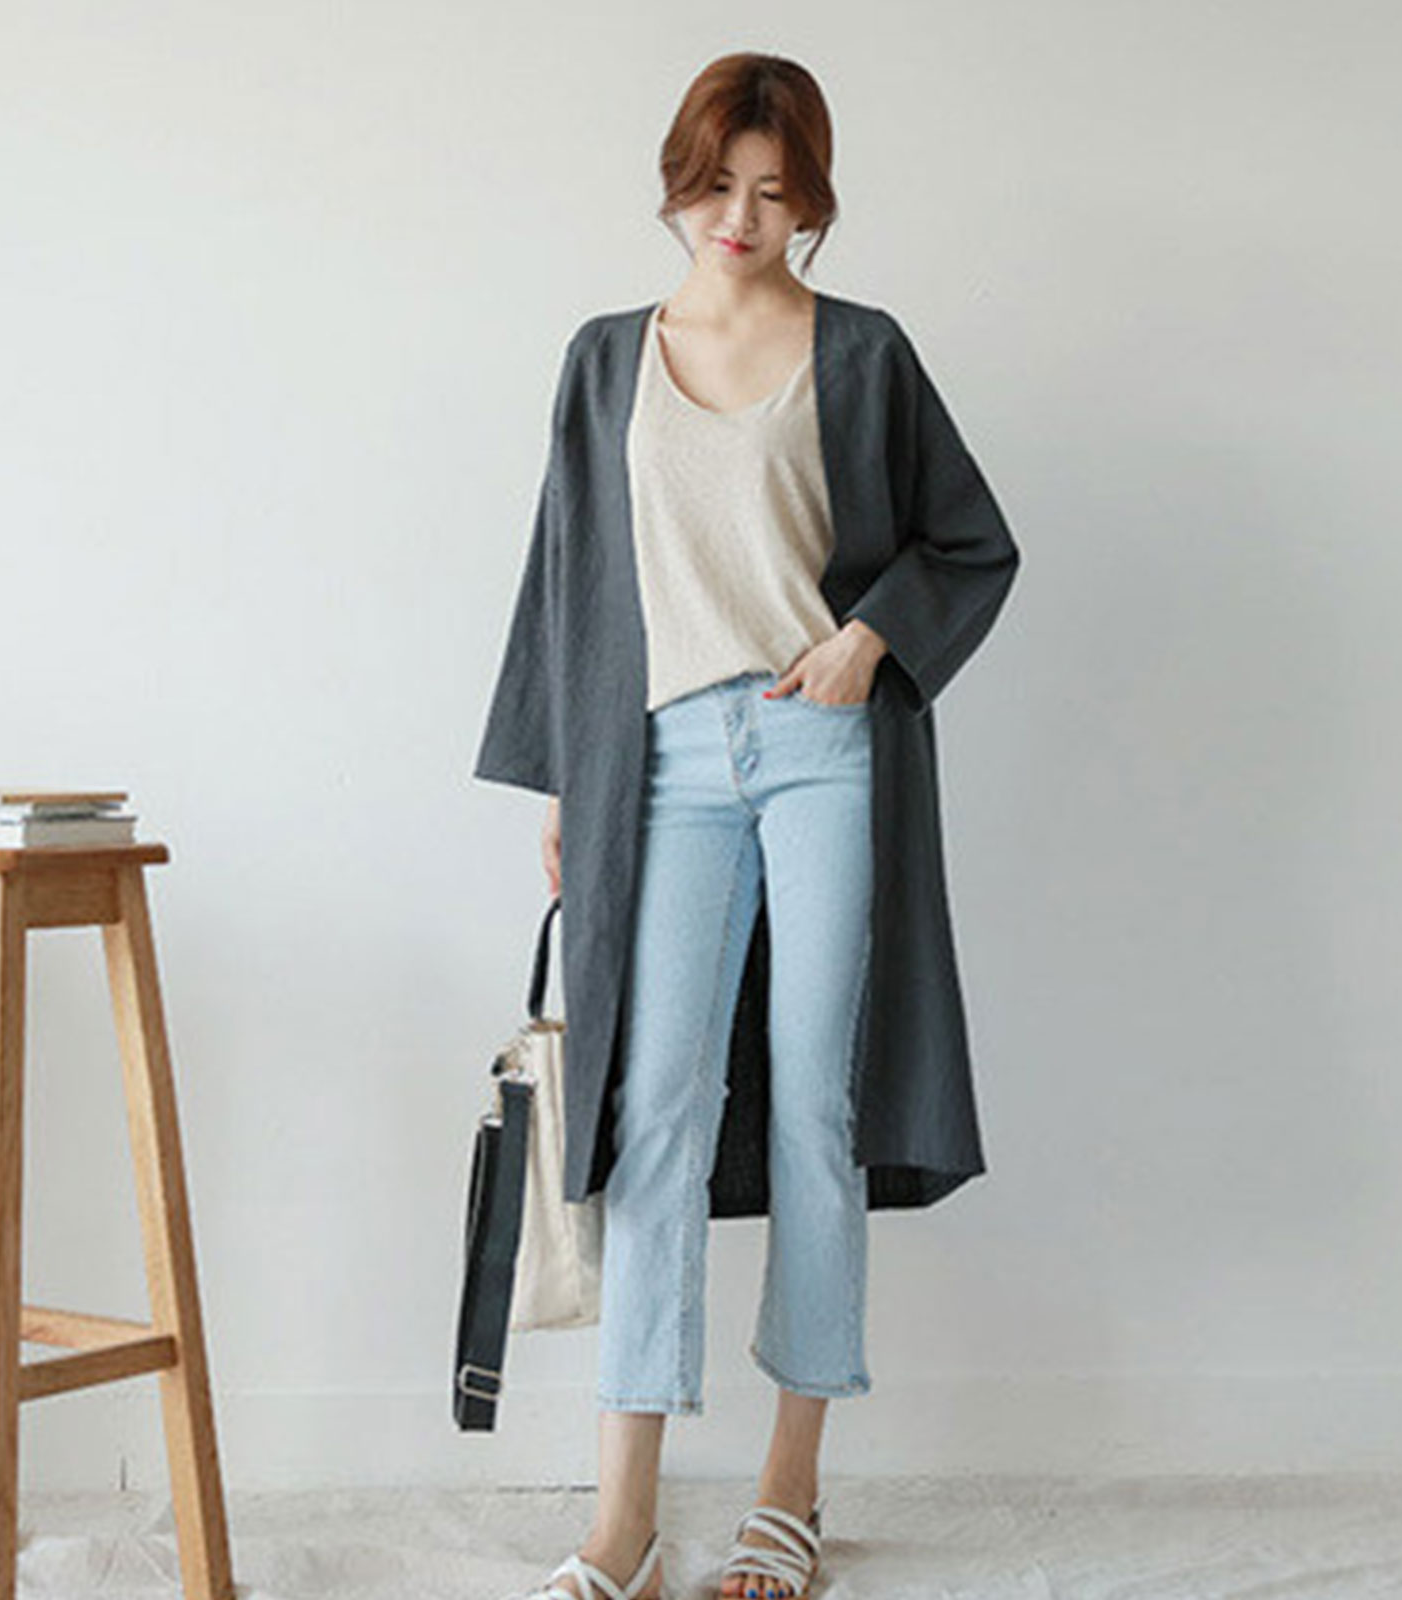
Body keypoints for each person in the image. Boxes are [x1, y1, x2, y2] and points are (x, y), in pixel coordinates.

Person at [480, 51, 1022, 1600]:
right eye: (719, 184)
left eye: (776, 194)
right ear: (679, 181)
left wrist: (868, 641)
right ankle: (625, 1521)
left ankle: (789, 1494)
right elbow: (569, 581)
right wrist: (570, 781)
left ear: (811, 203)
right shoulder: (606, 360)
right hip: (659, 763)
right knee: (652, 1109)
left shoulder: (863, 354)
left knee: (814, 1108)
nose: (741, 218)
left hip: (820, 750)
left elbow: (969, 540)